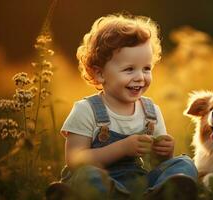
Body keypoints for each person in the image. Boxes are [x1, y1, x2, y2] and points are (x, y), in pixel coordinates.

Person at [49, 13, 198, 200]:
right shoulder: (86, 110)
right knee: (87, 175)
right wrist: (122, 148)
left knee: (184, 163)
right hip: (100, 182)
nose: (140, 77)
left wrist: (164, 153)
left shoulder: (150, 113)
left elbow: (156, 164)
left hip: (137, 182)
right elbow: (75, 160)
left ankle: (155, 194)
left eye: (146, 68)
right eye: (129, 69)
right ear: (100, 73)